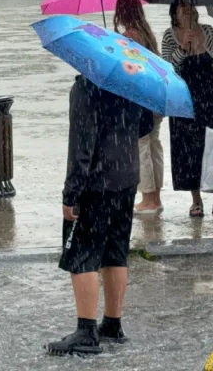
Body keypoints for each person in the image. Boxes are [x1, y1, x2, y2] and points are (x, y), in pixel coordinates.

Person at [46, 75, 142, 355]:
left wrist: (71, 193)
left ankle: (86, 331)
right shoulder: (131, 82)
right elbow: (145, 125)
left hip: (97, 181)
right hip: (127, 175)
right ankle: (112, 324)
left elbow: (81, 143)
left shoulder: (86, 86)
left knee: (83, 254)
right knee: (116, 251)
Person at [162, 0, 213, 218]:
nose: (188, 11)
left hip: (210, 97)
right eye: (182, 8)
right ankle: (196, 199)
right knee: (189, 151)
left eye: (190, 7)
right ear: (174, 14)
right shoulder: (169, 36)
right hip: (183, 100)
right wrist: (183, 48)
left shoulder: (209, 31)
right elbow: (168, 68)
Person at [114, 0, 163, 214]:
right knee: (154, 146)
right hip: (154, 97)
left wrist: (115, 45)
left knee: (142, 148)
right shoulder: (148, 34)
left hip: (139, 101)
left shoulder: (130, 36)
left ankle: (148, 199)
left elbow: (128, 71)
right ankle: (156, 197)